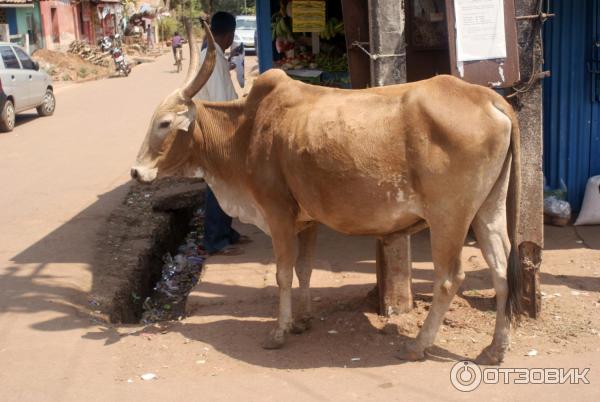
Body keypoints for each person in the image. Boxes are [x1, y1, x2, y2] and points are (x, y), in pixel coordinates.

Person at [195, 12, 250, 256]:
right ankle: (215, 240)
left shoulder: (214, 55)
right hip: (216, 128)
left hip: (217, 126)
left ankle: (226, 233)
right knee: (218, 185)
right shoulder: (212, 57)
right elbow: (219, 101)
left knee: (226, 184)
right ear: (228, 34)